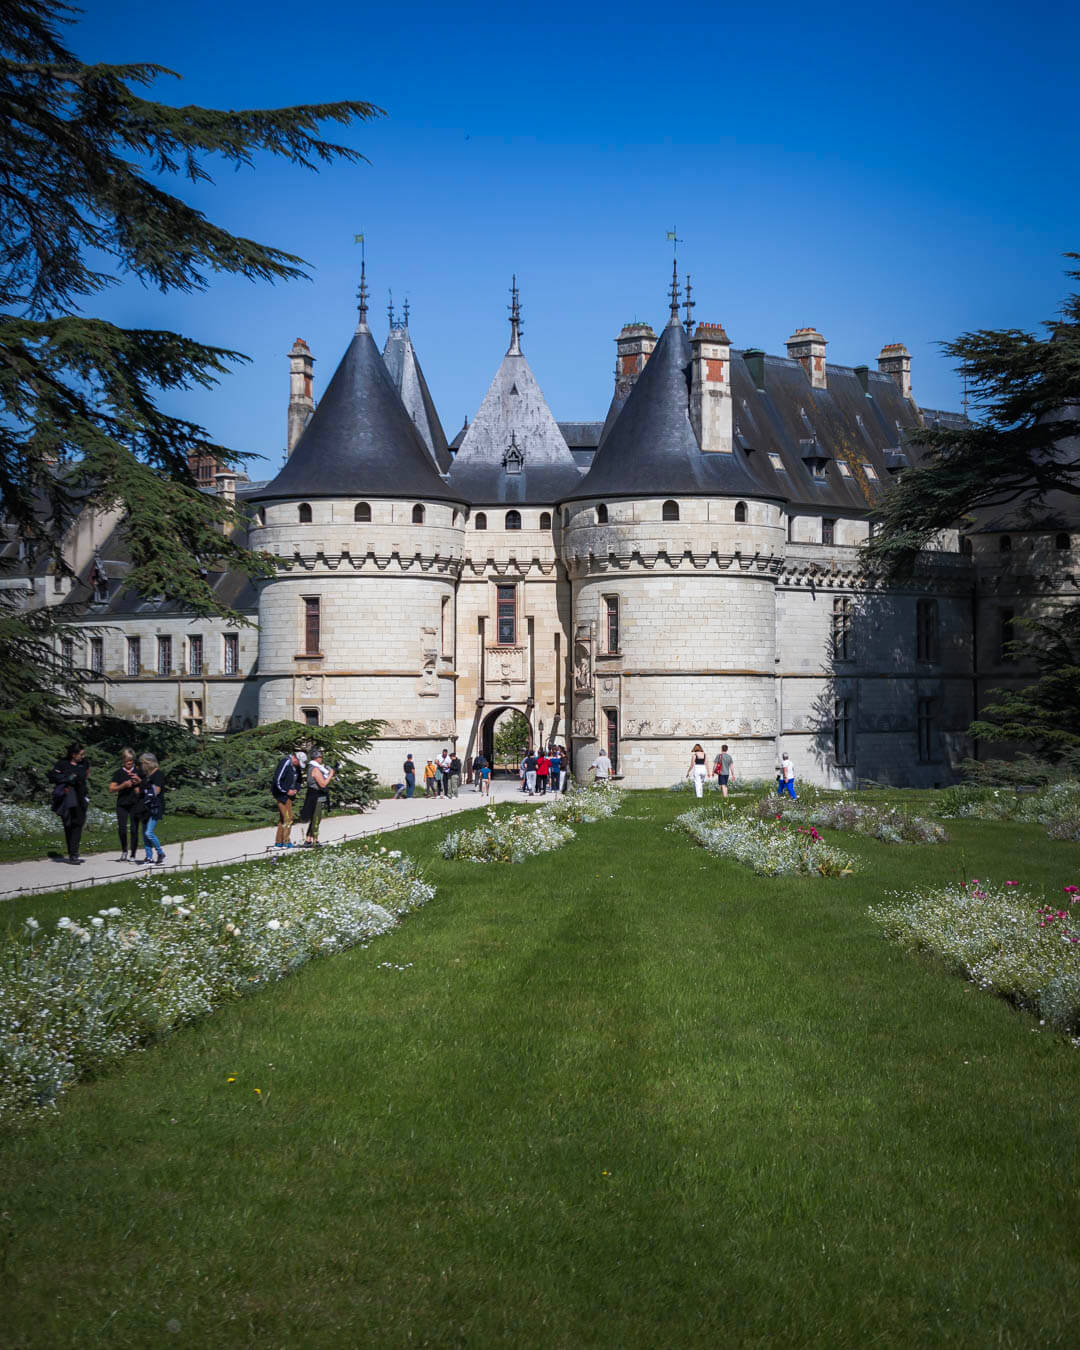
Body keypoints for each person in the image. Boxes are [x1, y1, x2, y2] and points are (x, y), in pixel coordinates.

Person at [49, 742, 89, 864]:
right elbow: (52, 777)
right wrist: (70, 778)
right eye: (81, 754)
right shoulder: (62, 763)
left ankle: (74, 854)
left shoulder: (84, 763)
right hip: (66, 799)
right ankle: (72, 854)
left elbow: (81, 777)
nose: (83, 756)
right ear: (73, 754)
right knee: (68, 825)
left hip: (80, 798)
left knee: (78, 824)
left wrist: (68, 778)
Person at [108, 747, 142, 861]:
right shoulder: (118, 773)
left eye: (131, 760)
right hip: (122, 804)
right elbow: (111, 789)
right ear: (123, 760)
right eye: (127, 760)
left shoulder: (138, 772)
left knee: (134, 829)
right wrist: (123, 785)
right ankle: (124, 851)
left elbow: (145, 787)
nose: (129, 763)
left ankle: (133, 854)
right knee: (122, 829)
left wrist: (139, 783)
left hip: (135, 804)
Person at [299, 747, 335, 846]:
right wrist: (330, 775)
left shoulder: (311, 767)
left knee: (315, 817)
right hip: (315, 795)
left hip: (313, 794)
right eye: (320, 757)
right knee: (316, 818)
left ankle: (308, 839)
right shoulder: (315, 769)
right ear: (317, 758)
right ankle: (315, 840)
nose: (321, 759)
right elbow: (323, 784)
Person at [137, 751, 167, 864]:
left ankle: (160, 853)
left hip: (155, 806)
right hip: (146, 806)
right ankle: (149, 856)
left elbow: (157, 790)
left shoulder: (158, 774)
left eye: (143, 763)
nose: (142, 766)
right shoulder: (147, 775)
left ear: (149, 763)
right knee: (144, 832)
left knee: (149, 832)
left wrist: (146, 787)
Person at [272, 749, 302, 847]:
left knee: (283, 818)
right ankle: (286, 841)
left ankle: (278, 841)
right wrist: (286, 791)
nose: (299, 765)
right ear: (295, 757)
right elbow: (277, 780)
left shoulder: (296, 767)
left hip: (289, 795)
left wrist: (296, 789)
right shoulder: (285, 762)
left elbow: (299, 780)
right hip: (281, 794)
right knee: (288, 818)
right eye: (298, 762)